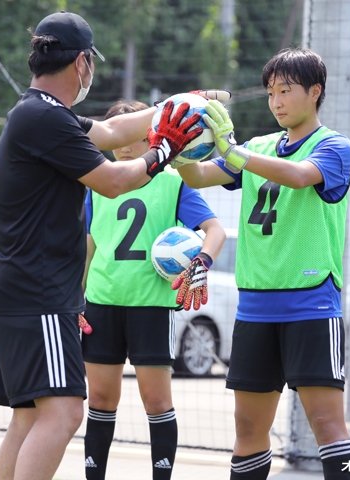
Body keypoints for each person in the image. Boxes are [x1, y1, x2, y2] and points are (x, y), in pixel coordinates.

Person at [0, 11, 212, 480]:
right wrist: (164, 149)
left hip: (18, 291)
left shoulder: (40, 112)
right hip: (38, 294)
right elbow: (112, 180)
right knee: (65, 413)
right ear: (82, 63)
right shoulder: (45, 117)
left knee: (29, 416)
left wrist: (180, 104)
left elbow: (110, 133)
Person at [176, 47, 350, 479]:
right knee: (247, 428)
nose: (276, 101)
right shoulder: (256, 147)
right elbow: (200, 177)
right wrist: (181, 150)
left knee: (328, 426)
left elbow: (297, 176)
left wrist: (232, 150)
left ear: (315, 92)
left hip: (311, 306)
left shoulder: (334, 146)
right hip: (255, 307)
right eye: (271, 92)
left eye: (286, 91)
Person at [81, 99, 226, 480]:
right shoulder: (97, 182)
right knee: (99, 401)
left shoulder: (172, 181)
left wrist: (201, 264)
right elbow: (88, 248)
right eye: (118, 137)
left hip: (152, 308)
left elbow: (216, 231)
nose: (125, 146)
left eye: (134, 135)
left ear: (151, 135)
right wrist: (73, 299)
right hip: (100, 304)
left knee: (157, 401)